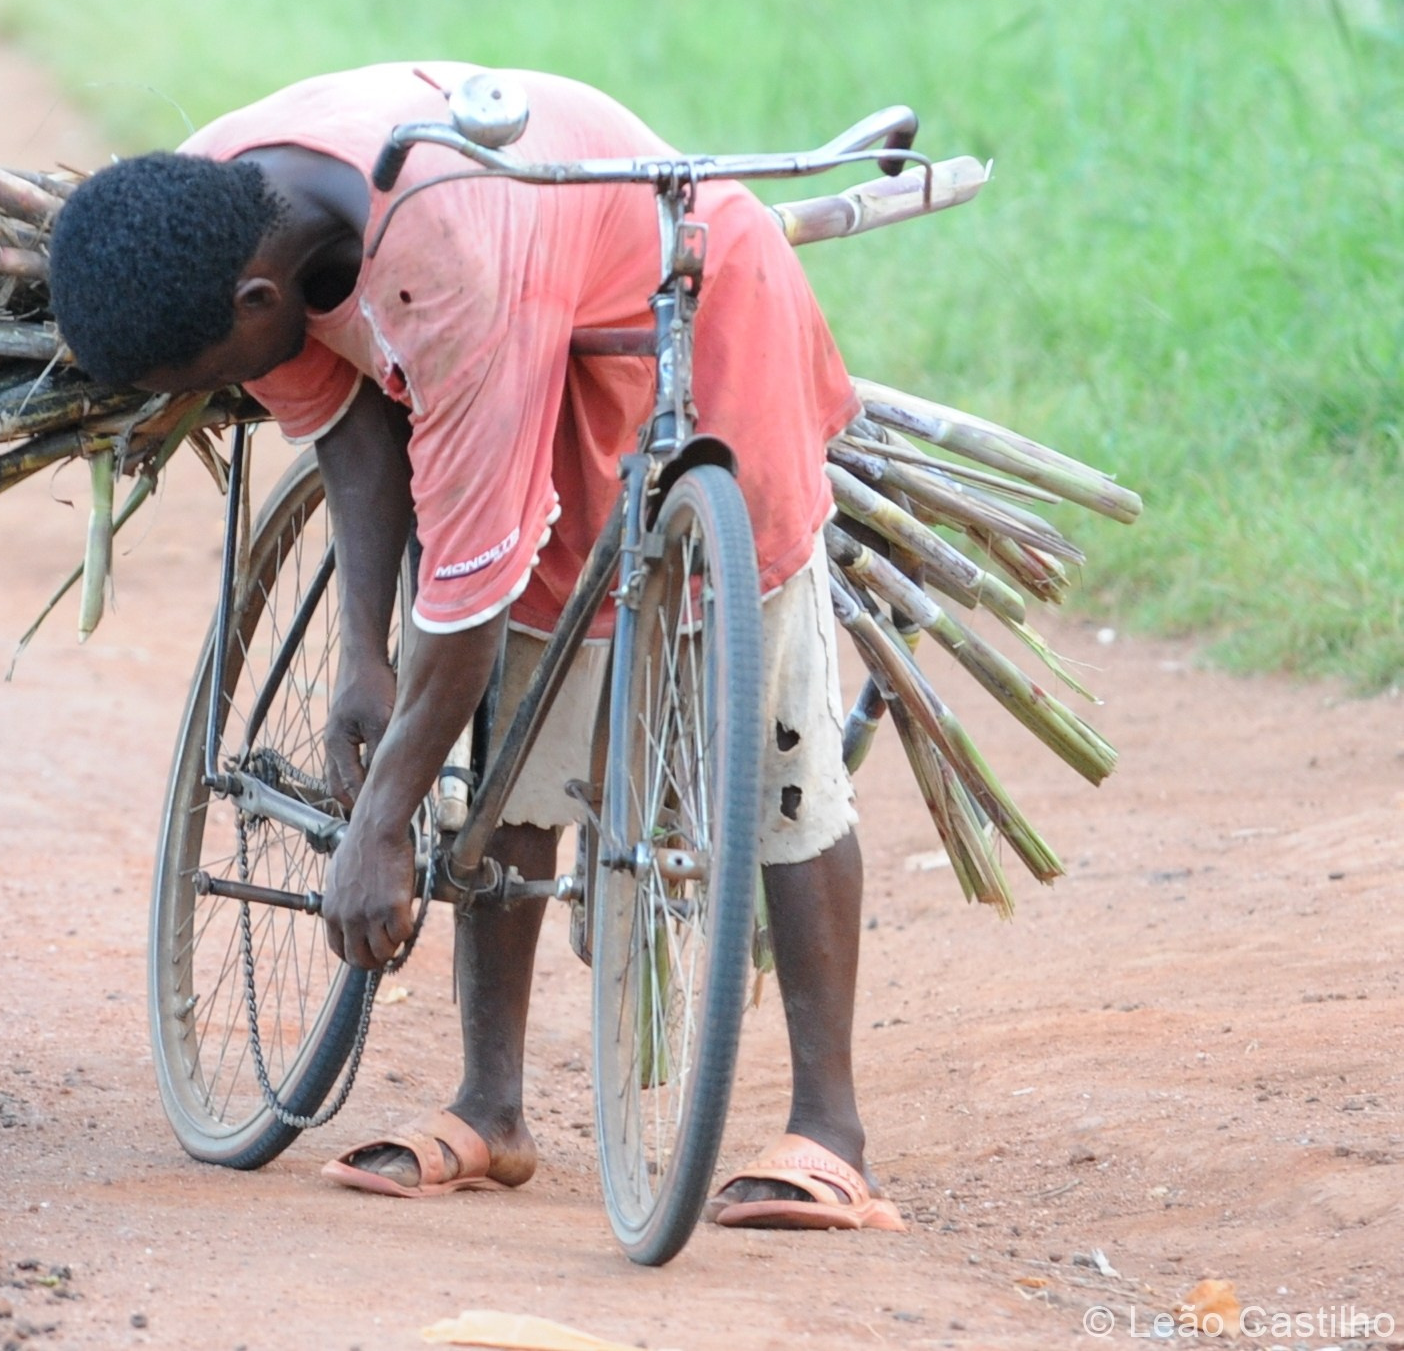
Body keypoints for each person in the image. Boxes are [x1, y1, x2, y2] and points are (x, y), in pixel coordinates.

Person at [47, 64, 906, 1231]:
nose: (209, 397)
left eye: (201, 382)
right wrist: (361, 655)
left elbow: (461, 592)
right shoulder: (219, 208)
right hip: (536, 350)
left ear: (256, 298)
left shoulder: (440, 261)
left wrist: (379, 822)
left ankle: (828, 1129)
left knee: (778, 746)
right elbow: (345, 416)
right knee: (515, 723)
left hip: (691, 306)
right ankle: (491, 1108)